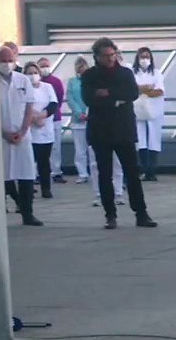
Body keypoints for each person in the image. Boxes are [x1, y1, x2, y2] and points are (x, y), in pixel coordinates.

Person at [81, 37, 157, 230]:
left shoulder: (124, 73)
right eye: (105, 56)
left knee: (132, 173)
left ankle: (141, 213)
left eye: (112, 54)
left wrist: (107, 93)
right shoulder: (90, 75)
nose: (110, 59)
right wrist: (115, 98)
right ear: (97, 57)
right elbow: (89, 99)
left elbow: (131, 93)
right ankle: (110, 214)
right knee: (105, 174)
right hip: (101, 130)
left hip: (123, 129)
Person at [0, 46, 41, 225]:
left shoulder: (22, 80)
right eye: (3, 61)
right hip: (0, 136)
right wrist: (4, 133)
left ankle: (27, 214)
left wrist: (23, 131)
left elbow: (29, 107)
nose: (7, 64)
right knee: (3, 175)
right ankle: (16, 205)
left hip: (22, 135)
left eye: (10, 60)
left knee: (26, 174)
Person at [25, 63, 59, 199]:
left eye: (35, 72)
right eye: (29, 73)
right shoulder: (23, 89)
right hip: (29, 129)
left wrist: (42, 115)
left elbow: (53, 104)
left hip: (46, 129)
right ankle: (29, 188)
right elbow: (23, 105)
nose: (33, 75)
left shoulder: (47, 87)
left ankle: (46, 188)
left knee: (44, 161)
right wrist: (33, 117)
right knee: (29, 162)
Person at [131, 47, 166, 182]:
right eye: (142, 57)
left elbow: (159, 91)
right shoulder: (132, 73)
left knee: (153, 140)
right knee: (140, 141)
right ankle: (144, 170)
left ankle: (152, 171)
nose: (145, 60)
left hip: (154, 111)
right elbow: (131, 89)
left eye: (147, 57)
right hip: (138, 111)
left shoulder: (157, 73)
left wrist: (142, 90)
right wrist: (147, 88)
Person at [37, 58, 66, 183]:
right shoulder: (36, 83)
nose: (45, 68)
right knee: (38, 147)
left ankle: (56, 171)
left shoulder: (56, 82)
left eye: (46, 65)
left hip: (55, 118)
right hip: (37, 119)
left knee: (55, 147)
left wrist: (52, 111)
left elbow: (59, 99)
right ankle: (38, 173)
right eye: (42, 66)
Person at [66, 56, 91, 185]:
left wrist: (89, 112)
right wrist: (79, 112)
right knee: (80, 150)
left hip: (92, 119)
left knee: (92, 149)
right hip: (78, 120)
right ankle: (82, 173)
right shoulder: (72, 82)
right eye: (79, 66)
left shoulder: (93, 81)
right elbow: (70, 98)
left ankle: (95, 171)